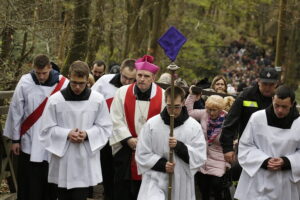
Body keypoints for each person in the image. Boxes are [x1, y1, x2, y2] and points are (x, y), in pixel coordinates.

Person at [40, 61, 113, 200]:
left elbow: (105, 127)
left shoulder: (97, 100)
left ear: (88, 79)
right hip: (63, 159)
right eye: (74, 82)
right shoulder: (55, 100)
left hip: (84, 159)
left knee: (80, 195)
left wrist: (87, 134)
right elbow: (45, 129)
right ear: (68, 76)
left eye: (82, 83)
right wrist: (66, 134)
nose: (77, 87)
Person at [3, 54, 68, 200]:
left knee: (49, 182)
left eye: (44, 73)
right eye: (38, 73)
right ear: (33, 69)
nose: (41, 77)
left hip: (52, 141)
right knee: (28, 181)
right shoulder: (25, 81)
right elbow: (16, 110)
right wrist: (15, 140)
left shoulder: (63, 83)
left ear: (50, 68)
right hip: (29, 140)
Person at [135, 86, 207, 200]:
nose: (173, 111)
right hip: (155, 178)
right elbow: (142, 153)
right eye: (169, 107)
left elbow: (200, 156)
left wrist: (179, 146)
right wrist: (163, 165)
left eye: (177, 107)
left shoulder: (193, 127)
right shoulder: (152, 124)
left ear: (183, 102)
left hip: (181, 179)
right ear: (165, 102)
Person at [109, 55, 165, 200]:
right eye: (139, 75)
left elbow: (164, 125)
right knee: (122, 191)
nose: (142, 79)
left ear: (153, 77)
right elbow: (115, 118)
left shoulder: (163, 96)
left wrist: (146, 142)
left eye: (146, 76)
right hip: (126, 150)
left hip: (150, 152)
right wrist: (128, 139)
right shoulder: (122, 92)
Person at [234, 85, 300, 200]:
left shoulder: (298, 123)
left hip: (285, 182)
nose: (279, 110)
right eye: (277, 105)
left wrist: (287, 161)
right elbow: (245, 145)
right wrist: (264, 160)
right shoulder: (257, 118)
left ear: (292, 104)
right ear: (272, 100)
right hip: (257, 178)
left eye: (284, 107)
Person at [220, 67, 278, 180]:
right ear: (258, 81)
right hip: (248, 148)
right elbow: (230, 122)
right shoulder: (246, 95)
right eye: (264, 84)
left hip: (273, 149)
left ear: (276, 84)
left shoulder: (281, 98)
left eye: (271, 85)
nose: (267, 87)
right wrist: (227, 148)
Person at [91, 58, 136, 200]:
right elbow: (91, 102)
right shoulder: (104, 81)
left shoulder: (137, 88)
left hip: (124, 137)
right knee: (107, 171)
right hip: (105, 135)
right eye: (125, 77)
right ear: (120, 71)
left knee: (122, 175)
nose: (127, 82)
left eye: (131, 79)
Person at [185, 91, 231, 200]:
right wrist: (192, 95)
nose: (210, 112)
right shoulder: (204, 114)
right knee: (203, 190)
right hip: (203, 159)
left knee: (217, 190)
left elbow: (231, 143)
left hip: (219, 160)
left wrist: (228, 165)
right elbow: (189, 112)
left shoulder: (228, 119)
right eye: (209, 109)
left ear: (220, 109)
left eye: (214, 110)